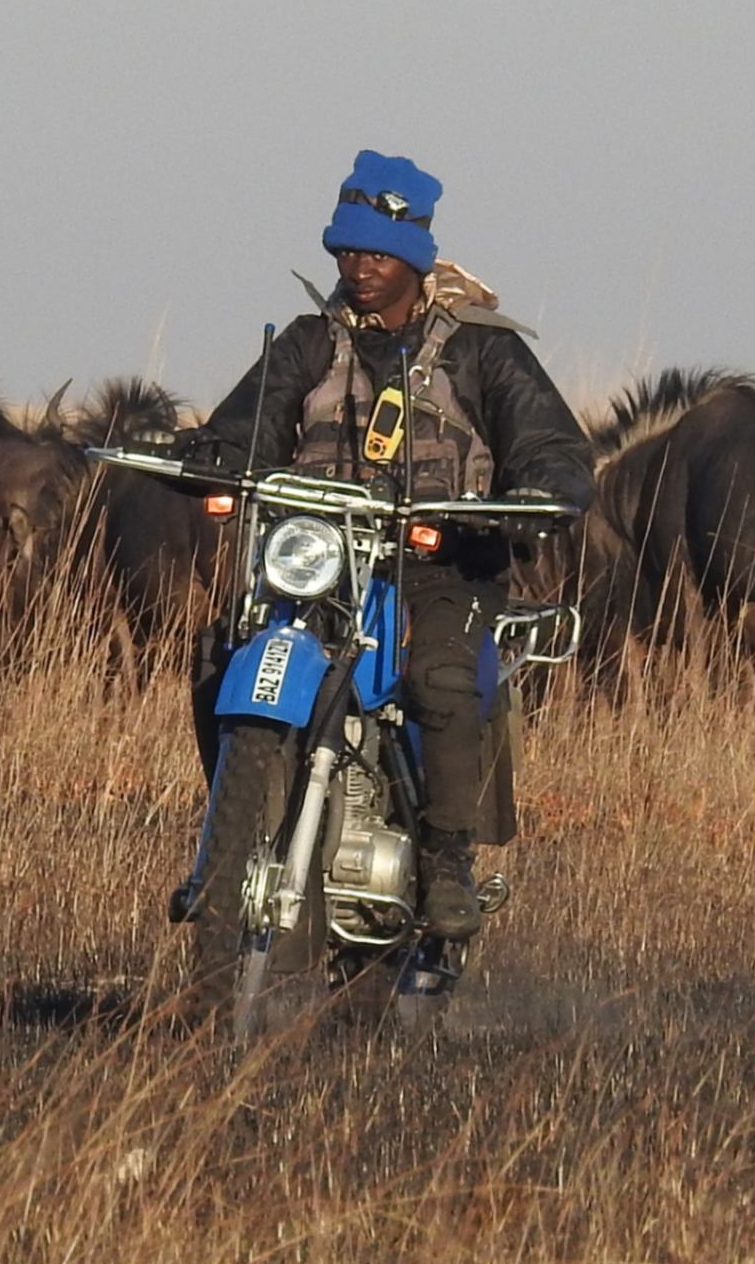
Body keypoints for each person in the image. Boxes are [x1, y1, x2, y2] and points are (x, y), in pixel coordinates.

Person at [189, 152, 599, 949]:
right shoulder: (309, 343)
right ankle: (237, 828)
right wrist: (211, 453)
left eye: (375, 254)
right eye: (345, 252)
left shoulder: (483, 350)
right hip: (322, 566)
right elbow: (249, 423)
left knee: (441, 677)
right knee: (220, 652)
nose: (357, 269)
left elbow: (551, 442)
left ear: (414, 258)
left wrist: (539, 490)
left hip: (443, 566)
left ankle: (447, 860)